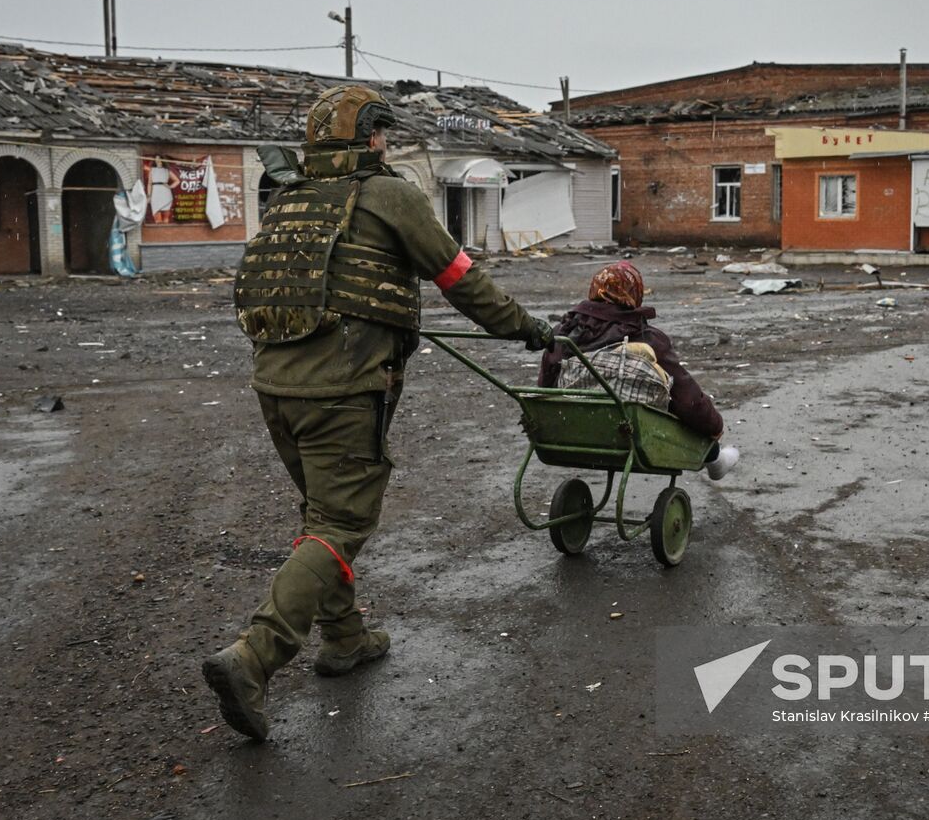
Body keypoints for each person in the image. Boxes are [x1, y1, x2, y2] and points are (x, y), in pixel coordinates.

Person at [203, 85, 553, 741]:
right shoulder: (390, 194)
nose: (387, 144)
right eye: (382, 134)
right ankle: (254, 656)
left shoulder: (291, 198)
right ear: (369, 137)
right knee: (340, 521)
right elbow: (460, 278)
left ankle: (345, 637)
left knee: (321, 520)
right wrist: (527, 328)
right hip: (342, 387)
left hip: (275, 387)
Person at [538, 261, 739, 479]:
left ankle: (715, 456)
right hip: (630, 435)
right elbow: (688, 399)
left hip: (572, 430)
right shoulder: (647, 338)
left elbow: (545, 387)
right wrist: (714, 425)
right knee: (681, 403)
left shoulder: (562, 333)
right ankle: (714, 457)